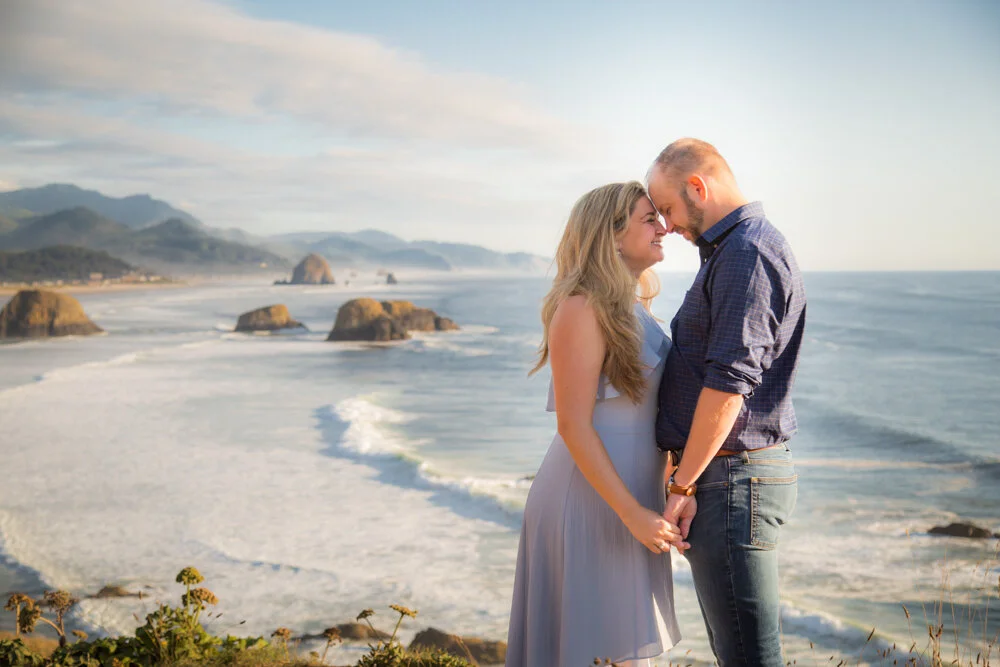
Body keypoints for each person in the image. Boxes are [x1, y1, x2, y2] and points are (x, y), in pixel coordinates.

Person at [505, 181, 684, 667]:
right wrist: (631, 513)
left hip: (628, 497)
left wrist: (672, 484)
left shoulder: (634, 308)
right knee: (600, 651)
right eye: (649, 219)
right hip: (591, 501)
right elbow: (573, 426)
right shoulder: (581, 307)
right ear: (611, 235)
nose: (663, 227)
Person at [647, 138, 807, 667]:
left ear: (698, 187)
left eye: (667, 208)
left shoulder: (747, 252)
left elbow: (728, 385)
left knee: (749, 657)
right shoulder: (731, 251)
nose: (665, 224)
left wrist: (682, 484)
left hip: (735, 479)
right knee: (738, 652)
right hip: (728, 476)